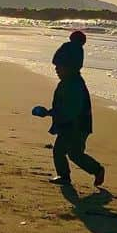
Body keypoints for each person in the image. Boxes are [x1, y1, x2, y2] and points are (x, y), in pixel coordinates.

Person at [39, 31, 105, 187]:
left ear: (70, 67)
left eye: (59, 67)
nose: (56, 70)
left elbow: (71, 109)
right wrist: (50, 112)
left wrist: (52, 114)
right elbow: (62, 106)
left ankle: (97, 170)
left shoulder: (74, 85)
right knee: (61, 151)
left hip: (77, 126)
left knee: (74, 154)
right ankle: (65, 176)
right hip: (69, 125)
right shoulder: (67, 82)